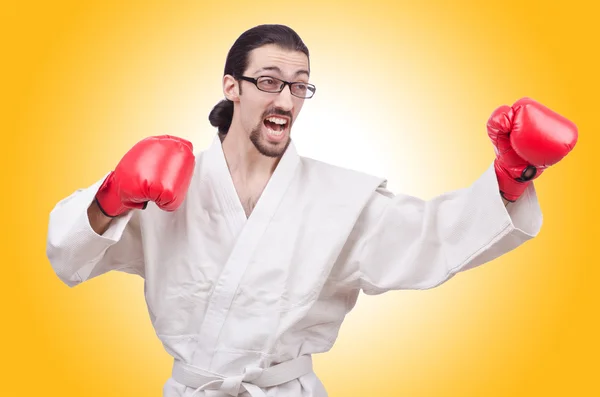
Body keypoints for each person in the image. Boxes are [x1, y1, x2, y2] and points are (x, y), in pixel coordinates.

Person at [45, 24, 578, 397]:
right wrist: (114, 194)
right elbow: (68, 255)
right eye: (271, 81)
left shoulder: (337, 199)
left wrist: (512, 175)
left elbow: (431, 238)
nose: (287, 99)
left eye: (300, 85)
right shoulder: (167, 181)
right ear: (231, 86)